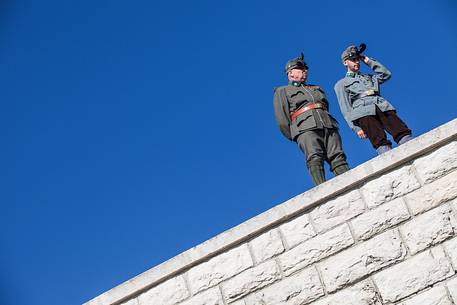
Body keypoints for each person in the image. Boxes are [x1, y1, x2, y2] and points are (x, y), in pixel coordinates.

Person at [273, 53, 350, 185]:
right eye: (301, 69)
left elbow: (325, 106)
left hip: (327, 123)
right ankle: (322, 188)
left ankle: (350, 182)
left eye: (305, 69)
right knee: (314, 156)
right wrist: (296, 134)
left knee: (337, 155)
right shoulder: (282, 91)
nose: (305, 72)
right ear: (290, 73)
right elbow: (282, 120)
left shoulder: (316, 88)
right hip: (305, 128)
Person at [334, 44, 413, 155]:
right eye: (353, 60)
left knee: (400, 130)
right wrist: (356, 128)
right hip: (363, 112)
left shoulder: (369, 77)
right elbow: (345, 109)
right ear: (345, 62)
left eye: (358, 59)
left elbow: (386, 74)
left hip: (381, 106)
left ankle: (411, 147)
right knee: (379, 140)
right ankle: (387, 157)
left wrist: (367, 60)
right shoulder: (341, 84)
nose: (357, 62)